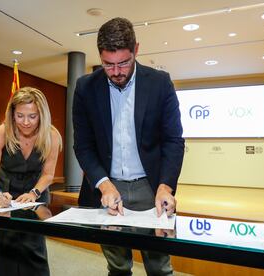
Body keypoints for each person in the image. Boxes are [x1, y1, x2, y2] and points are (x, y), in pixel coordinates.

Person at [72, 17, 184, 276]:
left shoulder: (160, 83)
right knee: (118, 266)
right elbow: (84, 145)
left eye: (123, 62)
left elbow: (173, 140)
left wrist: (165, 186)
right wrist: (103, 183)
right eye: (108, 65)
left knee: (159, 267)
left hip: (151, 187)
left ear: (136, 50)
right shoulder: (85, 88)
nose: (116, 72)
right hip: (108, 188)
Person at [0, 86, 62, 276]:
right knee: (5, 247)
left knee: (34, 246)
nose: (26, 122)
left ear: (41, 115)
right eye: (20, 116)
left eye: (32, 116)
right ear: (12, 114)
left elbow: (48, 174)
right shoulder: (0, 134)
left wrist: (34, 193)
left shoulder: (52, 135)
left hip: (36, 192)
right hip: (5, 193)